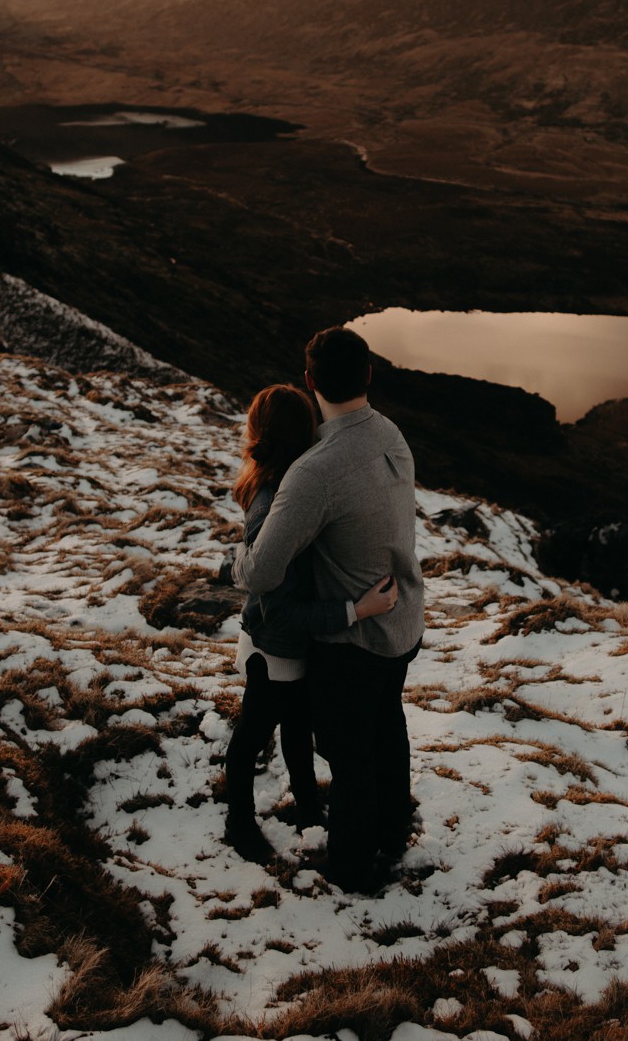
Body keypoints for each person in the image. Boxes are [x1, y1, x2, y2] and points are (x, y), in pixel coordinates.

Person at [230, 327, 425, 893]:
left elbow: (263, 571)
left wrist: (231, 563)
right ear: (368, 375)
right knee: (388, 727)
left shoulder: (314, 469)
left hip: (357, 638)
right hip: (403, 620)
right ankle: (392, 832)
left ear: (310, 381)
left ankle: (352, 867)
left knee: (349, 753)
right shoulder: (391, 433)